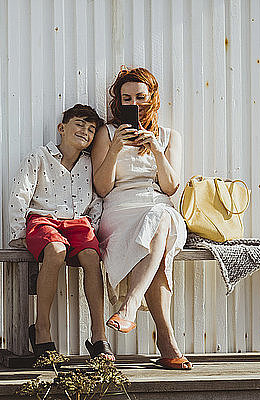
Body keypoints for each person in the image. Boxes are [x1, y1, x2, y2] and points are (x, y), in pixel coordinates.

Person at [91, 67, 191, 369]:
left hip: (159, 205)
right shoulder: (107, 134)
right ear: (118, 102)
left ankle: (131, 305)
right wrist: (116, 148)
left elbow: (171, 187)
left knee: (161, 218)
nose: (134, 104)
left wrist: (157, 151)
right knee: (157, 247)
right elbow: (102, 187)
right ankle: (166, 338)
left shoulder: (170, 136)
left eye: (140, 97)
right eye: (127, 99)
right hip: (120, 210)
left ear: (153, 98)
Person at [8, 104, 114, 361]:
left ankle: (98, 334)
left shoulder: (90, 163)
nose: (85, 131)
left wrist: (93, 226)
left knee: (92, 256)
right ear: (62, 128)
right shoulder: (40, 157)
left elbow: (97, 199)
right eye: (79, 124)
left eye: (91, 129)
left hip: (78, 223)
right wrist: (19, 233)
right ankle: (42, 328)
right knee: (56, 251)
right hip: (43, 221)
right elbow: (20, 194)